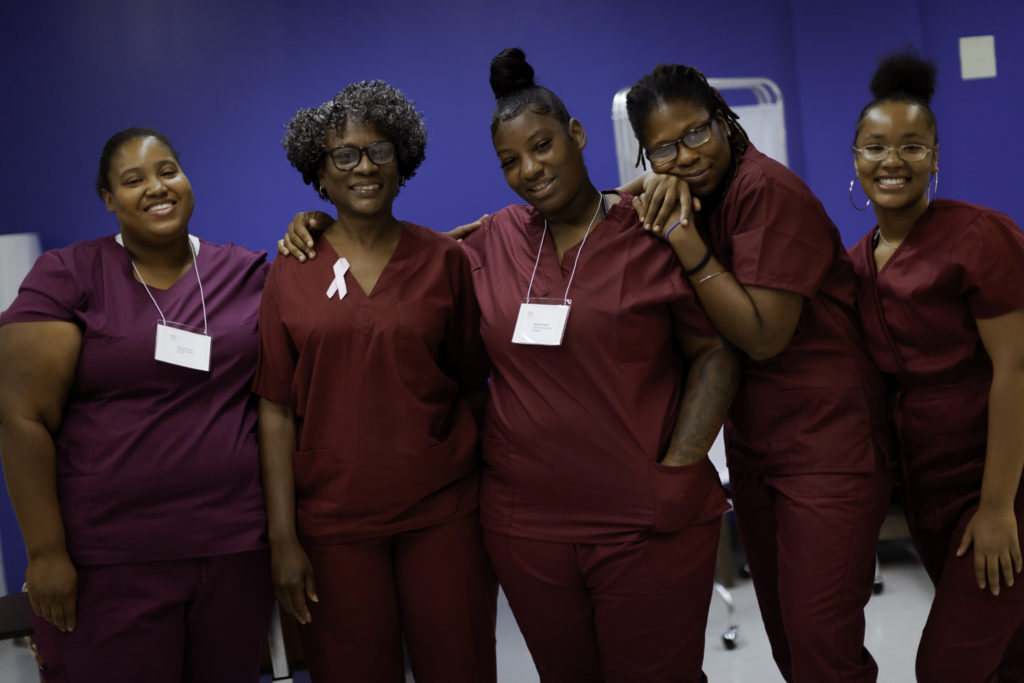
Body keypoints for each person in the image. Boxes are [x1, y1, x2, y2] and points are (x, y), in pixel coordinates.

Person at [279, 49, 740, 683]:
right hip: (527, 528)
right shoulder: (489, 241)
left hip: (643, 517)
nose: (530, 169)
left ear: (576, 135)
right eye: (510, 162)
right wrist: (314, 224)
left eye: (543, 146)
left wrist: (681, 467)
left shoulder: (654, 227)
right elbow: (394, 263)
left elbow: (714, 351)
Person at [623, 65, 895, 682]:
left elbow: (764, 337)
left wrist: (686, 244)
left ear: (724, 118)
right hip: (760, 450)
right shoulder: (700, 191)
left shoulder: (766, 191)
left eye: (697, 133)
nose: (686, 157)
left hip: (829, 448)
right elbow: (617, 204)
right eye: (664, 148)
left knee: (824, 652)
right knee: (792, 650)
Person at [0, 127, 273, 682]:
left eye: (167, 170)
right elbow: (21, 417)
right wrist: (47, 553)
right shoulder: (68, 275)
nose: (156, 187)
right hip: (110, 564)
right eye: (133, 179)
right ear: (108, 199)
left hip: (233, 553)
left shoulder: (244, 273)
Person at [254, 81, 497, 683]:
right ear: (320, 175)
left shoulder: (445, 260)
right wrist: (283, 538)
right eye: (345, 155)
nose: (364, 166)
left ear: (402, 163)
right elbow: (275, 410)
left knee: (461, 666)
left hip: (443, 511)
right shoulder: (292, 267)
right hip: (334, 525)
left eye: (380, 151)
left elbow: (473, 384)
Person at [847, 51, 1024, 683]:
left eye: (912, 145)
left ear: (936, 156)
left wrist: (999, 506)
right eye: (875, 146)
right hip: (928, 491)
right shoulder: (856, 262)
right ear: (856, 159)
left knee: (947, 667)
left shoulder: (980, 237)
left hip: (999, 483)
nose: (892, 160)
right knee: (1004, 659)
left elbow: (1016, 372)